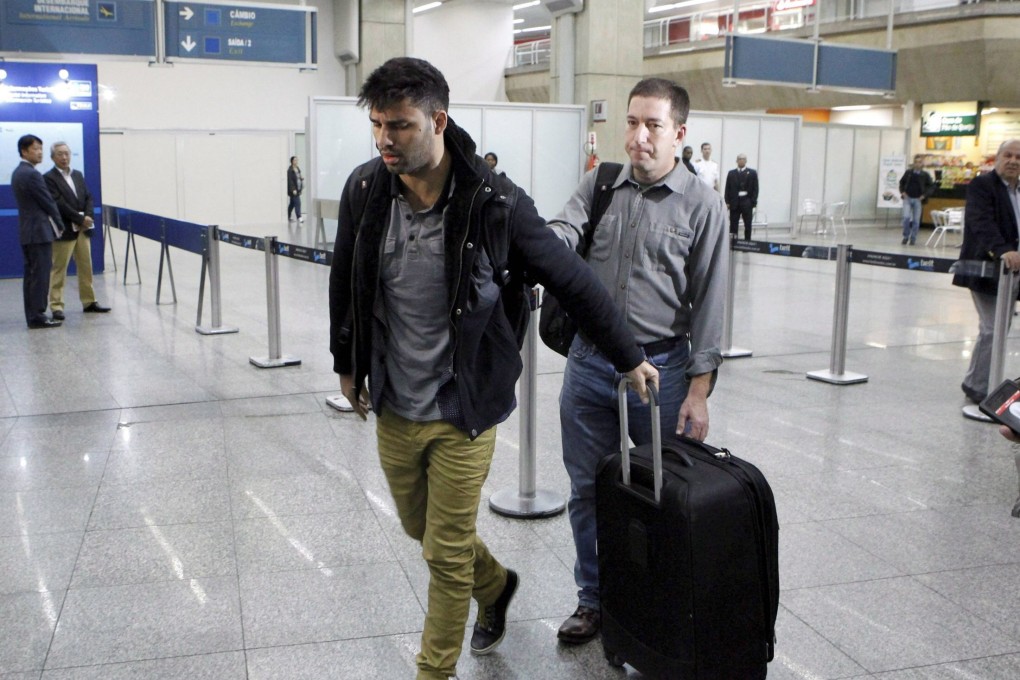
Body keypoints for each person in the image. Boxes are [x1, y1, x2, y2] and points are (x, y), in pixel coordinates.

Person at [328, 57, 658, 680]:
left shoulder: (495, 204)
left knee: (445, 552)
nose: (384, 140)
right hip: (395, 401)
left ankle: (435, 669)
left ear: (438, 120)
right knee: (419, 528)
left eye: (398, 125)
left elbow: (574, 279)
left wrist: (629, 353)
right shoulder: (365, 189)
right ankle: (498, 584)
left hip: (464, 406)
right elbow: (345, 278)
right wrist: (347, 363)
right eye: (376, 125)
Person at [546, 77, 728, 645]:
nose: (639, 137)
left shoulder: (703, 205)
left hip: (662, 373)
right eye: (631, 122)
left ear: (679, 133)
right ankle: (594, 600)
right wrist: (535, 244)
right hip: (588, 365)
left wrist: (699, 392)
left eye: (652, 125)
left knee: (664, 496)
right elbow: (561, 231)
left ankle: (658, 607)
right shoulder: (599, 185)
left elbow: (711, 303)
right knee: (585, 489)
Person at [953, 138, 1020, 404]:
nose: (1014, 161)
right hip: (988, 269)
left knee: (1000, 328)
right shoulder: (982, 186)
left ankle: (987, 382)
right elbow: (980, 221)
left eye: (1018, 157)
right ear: (996, 158)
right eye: (1008, 155)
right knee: (993, 328)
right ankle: (977, 386)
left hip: (1015, 273)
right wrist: (1001, 249)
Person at [44, 142, 110, 319]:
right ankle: (56, 306)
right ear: (52, 157)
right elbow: (58, 203)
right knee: (59, 268)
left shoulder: (78, 175)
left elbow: (88, 197)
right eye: (59, 154)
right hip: (64, 230)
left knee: (86, 266)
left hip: (82, 230)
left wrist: (87, 218)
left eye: (66, 153)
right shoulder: (48, 178)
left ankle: (89, 301)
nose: (64, 157)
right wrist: (80, 219)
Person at [12, 134, 64, 329]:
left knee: (31, 277)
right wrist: (60, 225)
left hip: (28, 232)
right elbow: (48, 202)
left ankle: (32, 315)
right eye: (35, 148)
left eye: (41, 148)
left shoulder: (18, 172)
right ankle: (38, 316)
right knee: (40, 276)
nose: (40, 152)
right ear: (24, 151)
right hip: (39, 232)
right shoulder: (32, 174)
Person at [899, 154, 935, 245]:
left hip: (918, 200)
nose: (917, 164)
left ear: (922, 164)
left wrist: (925, 195)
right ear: (914, 163)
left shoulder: (925, 175)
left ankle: (913, 237)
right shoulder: (908, 173)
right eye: (916, 162)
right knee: (906, 217)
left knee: (916, 220)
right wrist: (902, 191)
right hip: (907, 198)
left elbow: (931, 186)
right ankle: (906, 236)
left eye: (919, 162)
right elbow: (901, 182)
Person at [724, 153, 760, 240]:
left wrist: (753, 201)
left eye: (743, 159)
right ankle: (733, 243)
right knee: (733, 223)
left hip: (747, 201)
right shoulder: (731, 173)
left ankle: (747, 242)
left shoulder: (752, 173)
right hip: (735, 202)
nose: (741, 160)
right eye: (739, 159)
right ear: (736, 161)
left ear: (746, 161)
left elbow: (756, 188)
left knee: (747, 223)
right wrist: (727, 201)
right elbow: (727, 188)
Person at [287, 156, 303, 223]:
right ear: (292, 161)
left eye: (297, 160)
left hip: (298, 189)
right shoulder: (290, 170)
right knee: (298, 203)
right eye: (295, 160)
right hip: (293, 191)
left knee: (292, 204)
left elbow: (298, 178)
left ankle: (287, 215)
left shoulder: (297, 169)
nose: (296, 162)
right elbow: (290, 181)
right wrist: (293, 189)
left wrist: (301, 179)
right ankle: (299, 217)